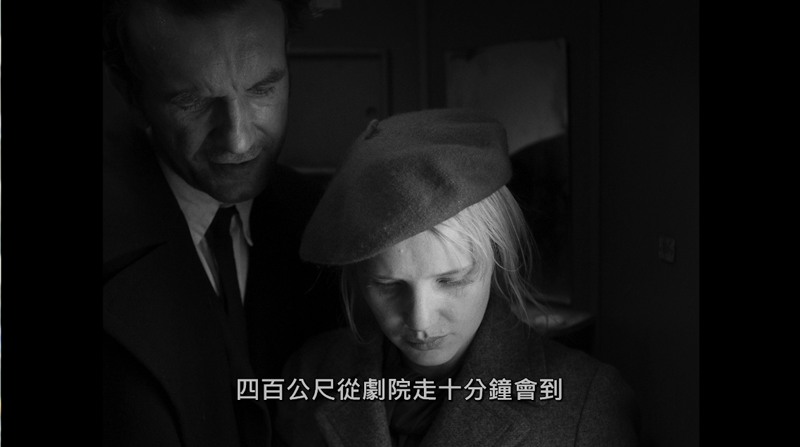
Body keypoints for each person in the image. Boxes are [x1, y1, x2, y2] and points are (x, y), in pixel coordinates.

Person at [276, 108, 640, 446]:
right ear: (356, 278)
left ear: (497, 259)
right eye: (388, 286)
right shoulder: (310, 374)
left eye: (451, 281)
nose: (420, 322)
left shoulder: (587, 402)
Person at [102, 1, 340, 446]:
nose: (239, 139)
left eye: (263, 89)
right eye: (191, 102)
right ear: (130, 95)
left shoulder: (328, 224)